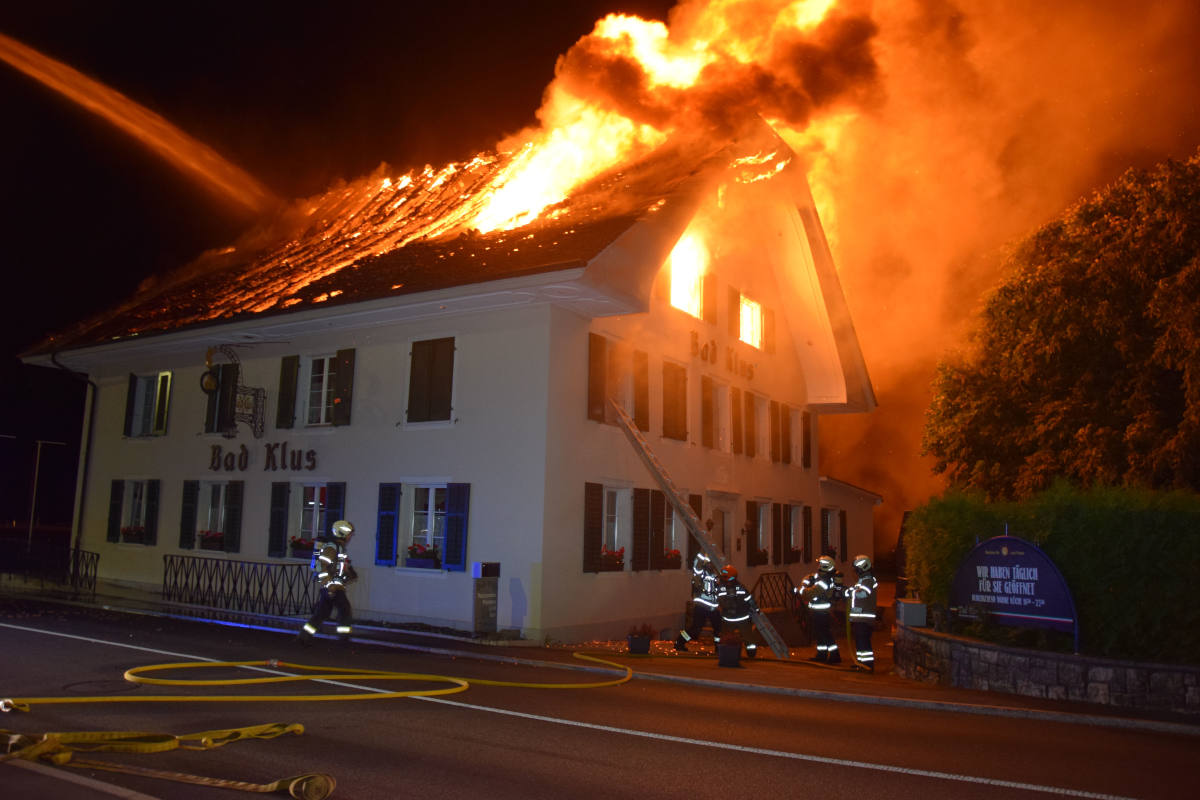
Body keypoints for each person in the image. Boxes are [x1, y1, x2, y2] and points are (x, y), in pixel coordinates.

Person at [297, 520, 357, 644]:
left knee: (321, 614)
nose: (351, 536)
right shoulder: (332, 547)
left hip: (332, 586)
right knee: (345, 610)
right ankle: (343, 640)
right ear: (343, 533)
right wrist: (329, 585)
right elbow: (321, 566)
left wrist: (349, 573)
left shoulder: (338, 547)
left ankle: (303, 637)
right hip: (333, 587)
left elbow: (337, 567)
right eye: (350, 533)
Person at [796, 555, 843, 664]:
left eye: (820, 564)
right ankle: (821, 655)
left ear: (825, 566)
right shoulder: (823, 579)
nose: (818, 566)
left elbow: (809, 593)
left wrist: (802, 587)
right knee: (820, 634)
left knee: (824, 634)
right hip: (819, 611)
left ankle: (835, 656)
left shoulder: (824, 581)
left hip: (821, 612)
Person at [675, 552, 722, 652]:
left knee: (718, 628)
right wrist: (704, 549)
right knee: (696, 629)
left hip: (713, 606)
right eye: (709, 562)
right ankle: (680, 642)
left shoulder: (714, 573)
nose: (711, 565)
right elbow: (698, 563)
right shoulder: (699, 572)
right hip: (702, 605)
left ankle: (719, 648)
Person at [716, 564, 760, 658]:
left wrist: (755, 609)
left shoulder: (732, 588)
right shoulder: (738, 587)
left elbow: (749, 599)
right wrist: (756, 609)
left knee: (747, 637)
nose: (722, 579)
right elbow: (750, 599)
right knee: (729, 637)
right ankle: (725, 652)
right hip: (735, 618)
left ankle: (750, 653)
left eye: (724, 577)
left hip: (737, 618)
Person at [845, 554, 878, 672]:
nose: (855, 571)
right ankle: (860, 663)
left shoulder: (868, 581)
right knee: (859, 643)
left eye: (857, 568)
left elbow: (863, 594)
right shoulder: (862, 580)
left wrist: (850, 592)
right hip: (859, 618)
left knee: (864, 643)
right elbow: (857, 591)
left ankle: (868, 665)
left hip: (864, 619)